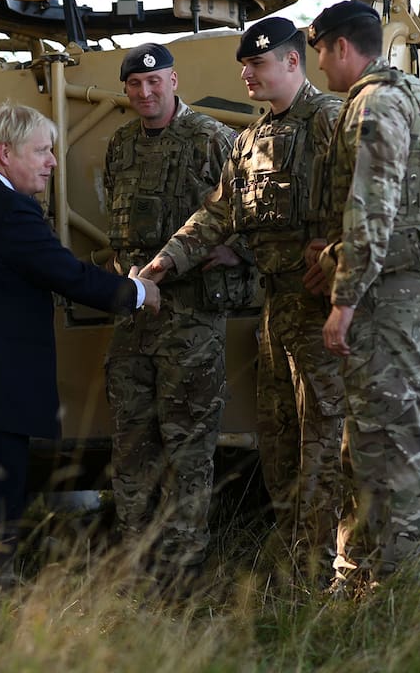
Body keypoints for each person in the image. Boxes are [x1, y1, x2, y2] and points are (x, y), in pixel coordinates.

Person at [0, 101, 160, 584]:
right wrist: (137, 291)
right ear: (5, 153)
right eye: (42, 151)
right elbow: (67, 274)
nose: (51, 162)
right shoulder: (8, 209)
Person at [143, 17, 346, 589]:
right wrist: (164, 263)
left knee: (325, 440)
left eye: (256, 64)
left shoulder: (331, 123)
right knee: (279, 441)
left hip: (320, 310)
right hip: (273, 311)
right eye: (245, 65)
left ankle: (332, 569)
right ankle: (296, 565)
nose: (246, 74)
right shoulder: (253, 139)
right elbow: (217, 213)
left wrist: (337, 267)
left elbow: (367, 201)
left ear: (291, 63)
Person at [303, 0, 420, 592]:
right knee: (377, 439)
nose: (319, 66)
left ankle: (397, 594)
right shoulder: (412, 93)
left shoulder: (372, 105)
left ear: (342, 48)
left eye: (319, 52)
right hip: (419, 287)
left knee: (391, 445)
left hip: (391, 295)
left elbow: (372, 210)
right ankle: (363, 578)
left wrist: (343, 300)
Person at [104, 42, 242, 586]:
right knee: (131, 442)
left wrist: (239, 251)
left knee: (189, 446)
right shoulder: (120, 145)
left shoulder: (213, 139)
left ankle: (185, 568)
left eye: (154, 81)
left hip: (191, 318)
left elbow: (250, 209)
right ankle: (135, 562)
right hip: (134, 315)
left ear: (174, 81)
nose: (145, 92)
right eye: (135, 85)